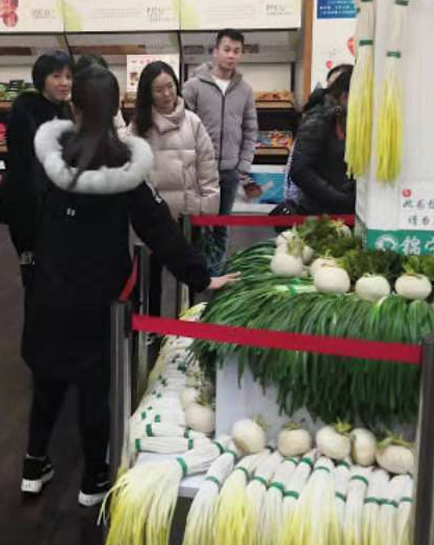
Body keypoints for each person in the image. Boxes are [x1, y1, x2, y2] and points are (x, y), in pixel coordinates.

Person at [20, 64, 238, 507]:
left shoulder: (49, 158)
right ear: (116, 107)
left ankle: (33, 466)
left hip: (48, 288)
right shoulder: (125, 166)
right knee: (93, 385)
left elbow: (22, 212)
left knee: (47, 377)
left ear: (74, 108)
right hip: (100, 294)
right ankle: (93, 480)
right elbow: (160, 231)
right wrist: (201, 276)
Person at [130, 60, 220, 313]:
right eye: (159, 89)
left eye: (170, 86)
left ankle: (189, 324)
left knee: (190, 275)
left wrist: (207, 209)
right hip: (154, 220)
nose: (167, 94)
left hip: (187, 216)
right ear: (148, 93)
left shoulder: (192, 122)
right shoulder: (138, 126)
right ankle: (153, 328)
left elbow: (207, 166)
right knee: (151, 281)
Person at [183, 29, 260, 274]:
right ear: (215, 51)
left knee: (221, 225)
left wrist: (243, 166)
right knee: (196, 225)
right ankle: (193, 274)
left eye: (237, 51)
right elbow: (183, 126)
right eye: (226, 50)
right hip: (199, 171)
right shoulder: (193, 86)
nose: (231, 55)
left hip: (229, 172)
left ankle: (216, 275)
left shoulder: (245, 90)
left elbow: (250, 129)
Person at [0, 50, 73, 283]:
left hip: (55, 208)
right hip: (28, 208)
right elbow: (24, 165)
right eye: (56, 76)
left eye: (68, 76)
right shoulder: (25, 112)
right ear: (42, 79)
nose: (64, 83)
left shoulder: (64, 110)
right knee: (34, 272)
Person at [283, 63, 355, 215]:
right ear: (344, 96)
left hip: (340, 209)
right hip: (317, 212)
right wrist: (340, 200)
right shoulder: (320, 119)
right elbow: (300, 170)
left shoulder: (348, 120)